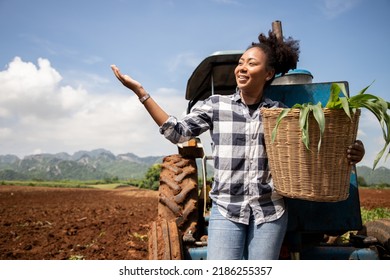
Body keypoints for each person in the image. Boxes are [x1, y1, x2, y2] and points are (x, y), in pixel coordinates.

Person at [111, 31, 365, 259]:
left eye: (251, 63)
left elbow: (317, 153)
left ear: (268, 74)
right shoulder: (216, 105)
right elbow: (177, 132)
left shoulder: (281, 114)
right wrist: (141, 93)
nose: (242, 68)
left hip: (269, 213)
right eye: (241, 63)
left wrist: (353, 151)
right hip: (226, 209)